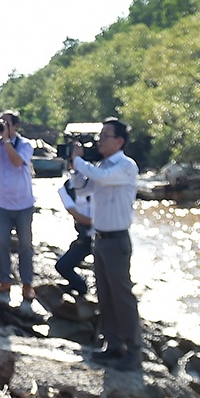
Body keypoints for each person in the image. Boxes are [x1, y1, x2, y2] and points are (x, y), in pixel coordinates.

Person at [68, 117, 142, 371]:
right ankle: (113, 345)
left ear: (119, 141)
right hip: (99, 239)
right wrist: (75, 167)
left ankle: (133, 349)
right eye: (100, 136)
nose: (100, 141)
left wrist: (79, 160)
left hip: (117, 239)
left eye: (105, 136)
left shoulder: (125, 166)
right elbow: (81, 188)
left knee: (122, 296)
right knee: (105, 294)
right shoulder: (100, 166)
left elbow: (103, 177)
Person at [0, 111, 36, 301]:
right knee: (3, 242)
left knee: (25, 245)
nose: (3, 126)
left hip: (23, 203)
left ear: (16, 126)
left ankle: (27, 284)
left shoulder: (25, 144)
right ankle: (5, 280)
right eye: (1, 123)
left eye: (7, 123)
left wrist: (6, 141)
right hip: (2, 203)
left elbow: (16, 162)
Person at [54, 181, 93, 297]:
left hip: (104, 237)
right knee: (62, 266)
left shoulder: (99, 181)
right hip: (85, 237)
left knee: (108, 274)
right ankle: (80, 286)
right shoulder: (66, 188)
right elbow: (76, 215)